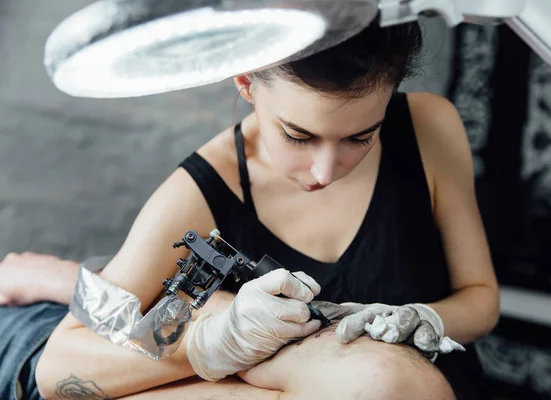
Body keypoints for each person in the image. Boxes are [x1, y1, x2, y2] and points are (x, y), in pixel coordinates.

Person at [0, 17, 499, 400]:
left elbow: (480, 297)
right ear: (246, 83)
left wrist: (421, 317)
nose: (325, 170)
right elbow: (60, 366)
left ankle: (72, 278)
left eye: (360, 136)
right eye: (298, 135)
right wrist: (211, 344)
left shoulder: (429, 127)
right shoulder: (197, 195)